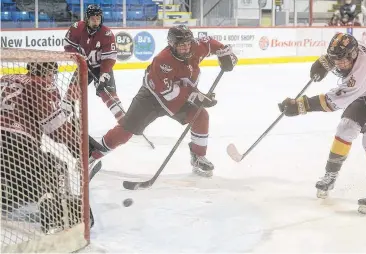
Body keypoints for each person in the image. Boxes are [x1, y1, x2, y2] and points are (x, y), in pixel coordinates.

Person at [278, 32, 366, 215]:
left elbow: (333, 102)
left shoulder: (360, 74)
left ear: (354, 55)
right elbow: (340, 55)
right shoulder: (352, 51)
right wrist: (325, 62)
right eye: (335, 59)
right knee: (345, 128)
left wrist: (300, 105)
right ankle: (330, 176)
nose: (338, 64)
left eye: (342, 60)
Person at [89, 25, 237, 177]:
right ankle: (93, 154)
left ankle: (198, 157)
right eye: (181, 46)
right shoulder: (163, 60)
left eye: (188, 44)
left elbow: (210, 43)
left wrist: (225, 53)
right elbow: (168, 92)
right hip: (151, 98)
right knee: (126, 131)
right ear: (172, 45)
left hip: (180, 94)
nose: (186, 49)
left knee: (201, 116)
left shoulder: (196, 47)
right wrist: (196, 97)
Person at [0, 62, 83, 233]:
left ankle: (7, 194)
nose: (53, 78)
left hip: (6, 155)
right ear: (46, 73)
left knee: (18, 181)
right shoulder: (40, 85)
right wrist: (79, 150)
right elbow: (57, 130)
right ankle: (54, 220)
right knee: (55, 166)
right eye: (52, 73)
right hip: (15, 144)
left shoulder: (5, 79)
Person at [63, 4, 124, 124]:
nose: (96, 22)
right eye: (93, 19)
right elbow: (68, 44)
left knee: (108, 94)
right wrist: (78, 57)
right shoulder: (77, 28)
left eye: (98, 19)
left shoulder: (107, 34)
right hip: (84, 66)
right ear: (87, 19)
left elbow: (109, 58)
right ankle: (60, 120)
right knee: (71, 92)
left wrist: (104, 74)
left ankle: (124, 121)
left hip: (102, 67)